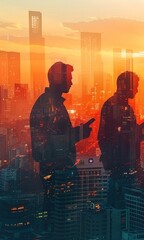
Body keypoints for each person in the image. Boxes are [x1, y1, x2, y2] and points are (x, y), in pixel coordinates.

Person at [30, 62, 94, 236]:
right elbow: (44, 147)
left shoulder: (53, 104)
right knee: (59, 224)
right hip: (55, 177)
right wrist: (78, 135)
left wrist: (78, 133)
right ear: (59, 78)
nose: (72, 82)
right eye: (69, 78)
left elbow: (55, 138)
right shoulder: (47, 105)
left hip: (60, 176)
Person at [98, 71, 144, 208]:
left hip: (122, 169)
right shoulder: (115, 106)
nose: (137, 90)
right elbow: (114, 137)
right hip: (122, 170)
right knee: (123, 211)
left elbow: (126, 135)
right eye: (136, 86)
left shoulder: (121, 106)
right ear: (124, 85)